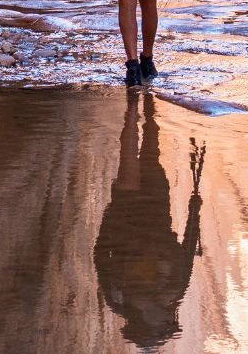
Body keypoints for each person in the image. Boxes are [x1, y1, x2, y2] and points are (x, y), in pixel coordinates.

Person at [93, 91, 205, 350]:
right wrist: (194, 209)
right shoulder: (166, 293)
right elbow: (187, 250)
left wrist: (194, 209)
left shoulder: (121, 297)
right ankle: (142, 110)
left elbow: (100, 255)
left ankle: (138, 110)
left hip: (132, 211)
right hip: (140, 210)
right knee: (144, 154)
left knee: (145, 153)